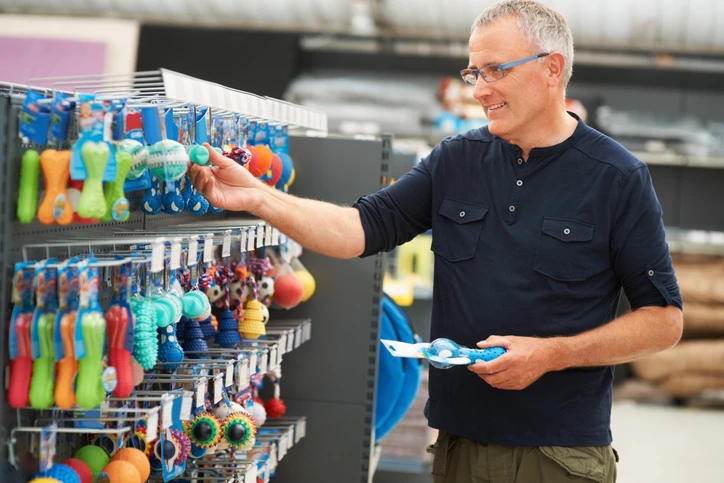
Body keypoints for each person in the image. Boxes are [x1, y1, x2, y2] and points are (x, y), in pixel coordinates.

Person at [188, 1, 683, 481]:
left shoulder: (617, 178)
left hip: (559, 454)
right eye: (474, 73)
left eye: (495, 71)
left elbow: (663, 322)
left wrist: (551, 354)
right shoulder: (456, 159)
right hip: (457, 445)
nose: (479, 90)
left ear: (552, 69)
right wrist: (256, 197)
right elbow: (357, 229)